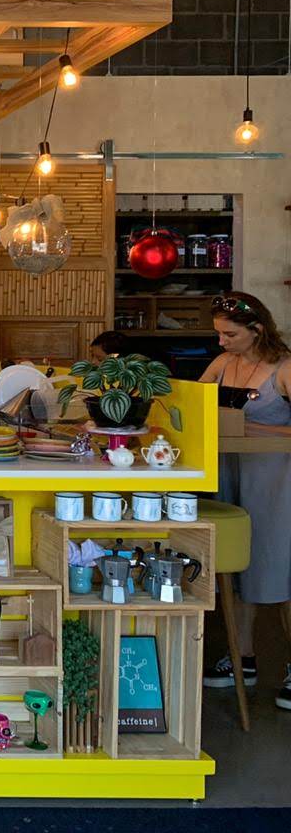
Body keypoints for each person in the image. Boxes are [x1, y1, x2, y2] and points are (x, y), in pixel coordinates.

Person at [198, 292, 291, 710]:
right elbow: (193, 405)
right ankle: (244, 658)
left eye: (230, 334)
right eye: (219, 334)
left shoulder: (284, 369)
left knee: (278, 563)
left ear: (257, 330)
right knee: (237, 566)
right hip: (231, 473)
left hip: (274, 479)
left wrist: (251, 430)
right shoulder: (223, 364)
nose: (221, 342)